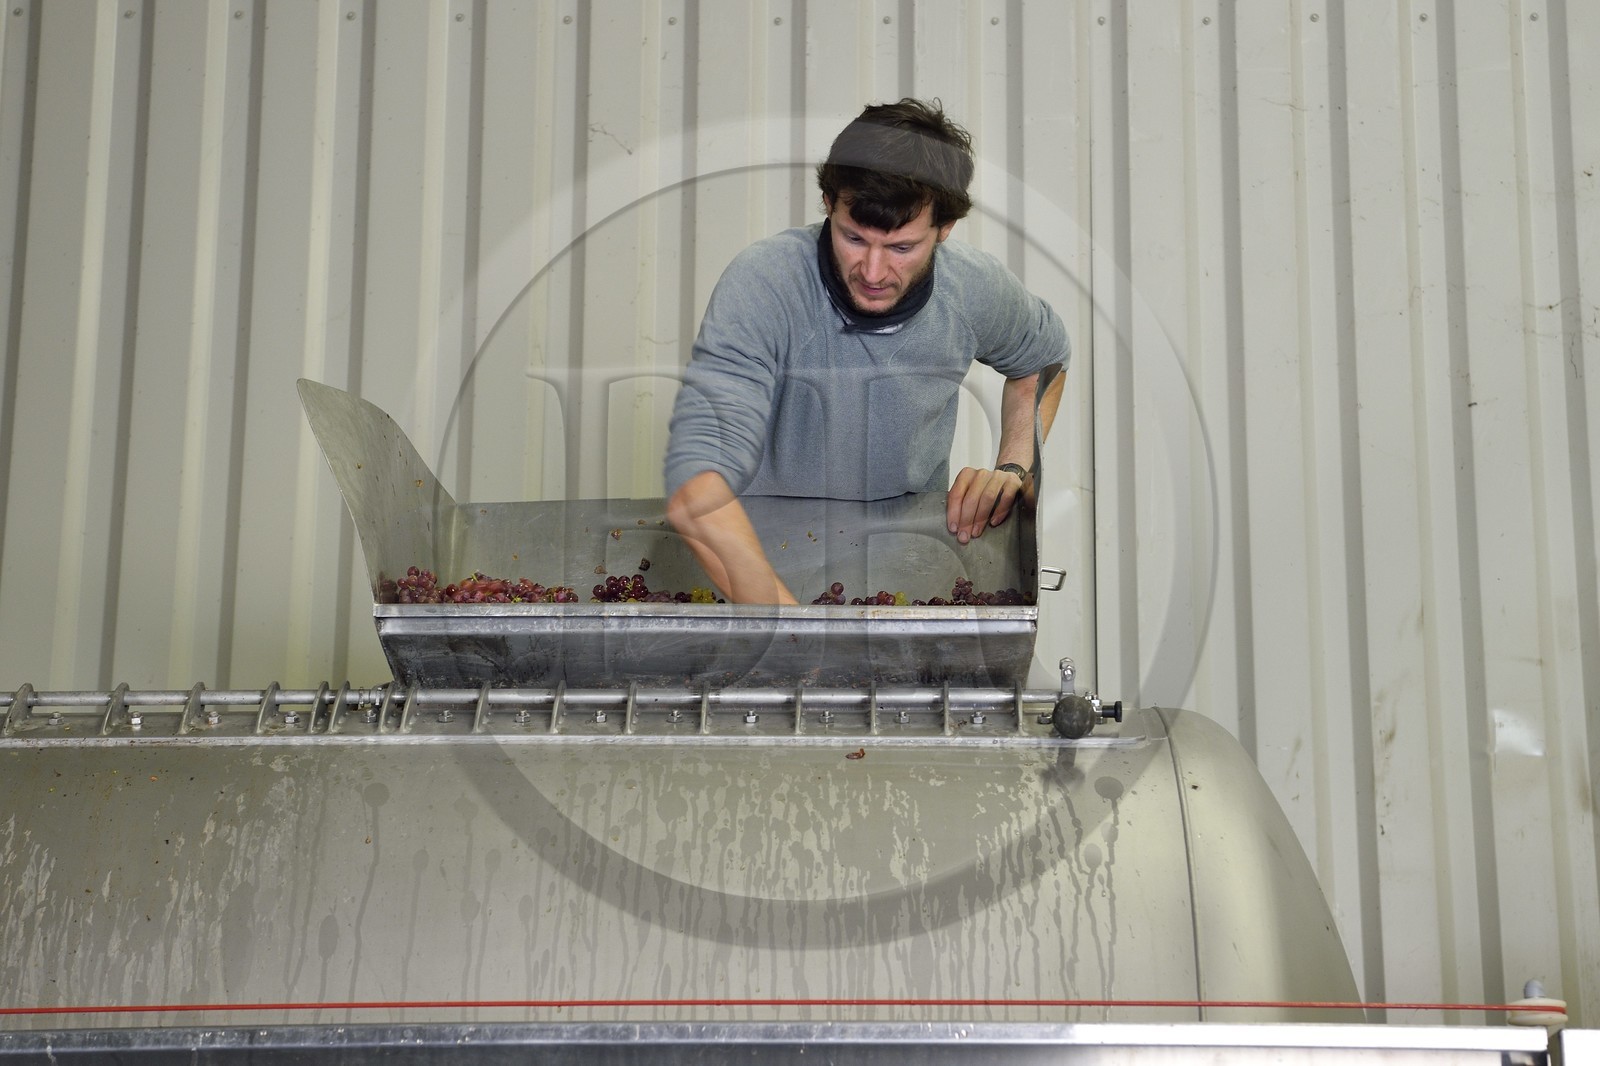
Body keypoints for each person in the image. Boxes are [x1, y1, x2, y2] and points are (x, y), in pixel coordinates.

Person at [663, 98, 1068, 604]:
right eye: (854, 238)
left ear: (944, 229)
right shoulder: (765, 284)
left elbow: (1043, 363)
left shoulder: (973, 289)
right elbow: (697, 488)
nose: (873, 273)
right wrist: (793, 632)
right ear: (829, 204)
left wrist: (1012, 469)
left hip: (903, 585)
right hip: (759, 585)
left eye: (901, 248)